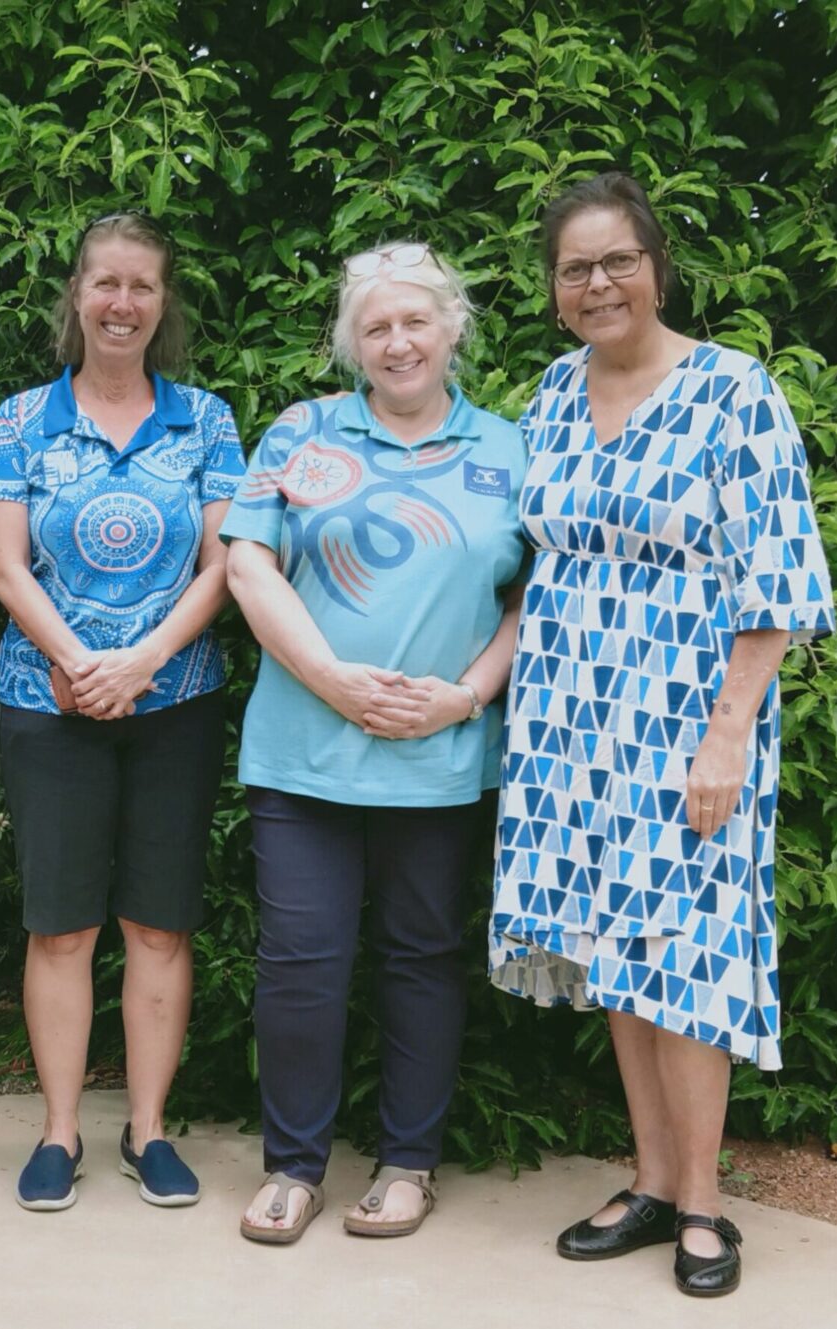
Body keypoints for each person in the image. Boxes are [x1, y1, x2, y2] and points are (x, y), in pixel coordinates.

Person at [489, 172, 834, 1297]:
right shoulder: (548, 392)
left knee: (687, 953)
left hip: (690, 714)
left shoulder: (736, 392)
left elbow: (780, 581)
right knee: (614, 948)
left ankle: (704, 1205)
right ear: (554, 292)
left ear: (656, 266)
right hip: (567, 716)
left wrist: (730, 731)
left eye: (617, 260)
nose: (599, 284)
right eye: (576, 268)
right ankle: (647, 1180)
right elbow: (530, 556)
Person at [222, 243, 527, 1243]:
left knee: (423, 961)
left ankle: (408, 1164)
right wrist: (334, 681)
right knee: (300, 964)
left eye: (415, 322)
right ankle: (293, 1167)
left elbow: (534, 597)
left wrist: (468, 698)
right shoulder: (303, 433)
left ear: (452, 329)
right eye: (376, 326)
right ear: (353, 341)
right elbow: (249, 568)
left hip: (438, 758)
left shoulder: (511, 450)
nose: (397, 342)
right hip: (304, 753)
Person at [0, 213, 241, 1212]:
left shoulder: (206, 420)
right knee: (62, 928)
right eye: (104, 284)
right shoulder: (19, 419)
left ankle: (149, 1130)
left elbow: (226, 562)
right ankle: (57, 1134)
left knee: (160, 926)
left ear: (162, 303)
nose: (122, 303)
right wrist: (85, 663)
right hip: (47, 702)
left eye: (142, 286)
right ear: (76, 296)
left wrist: (145, 661)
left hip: (176, 701)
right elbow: (5, 567)